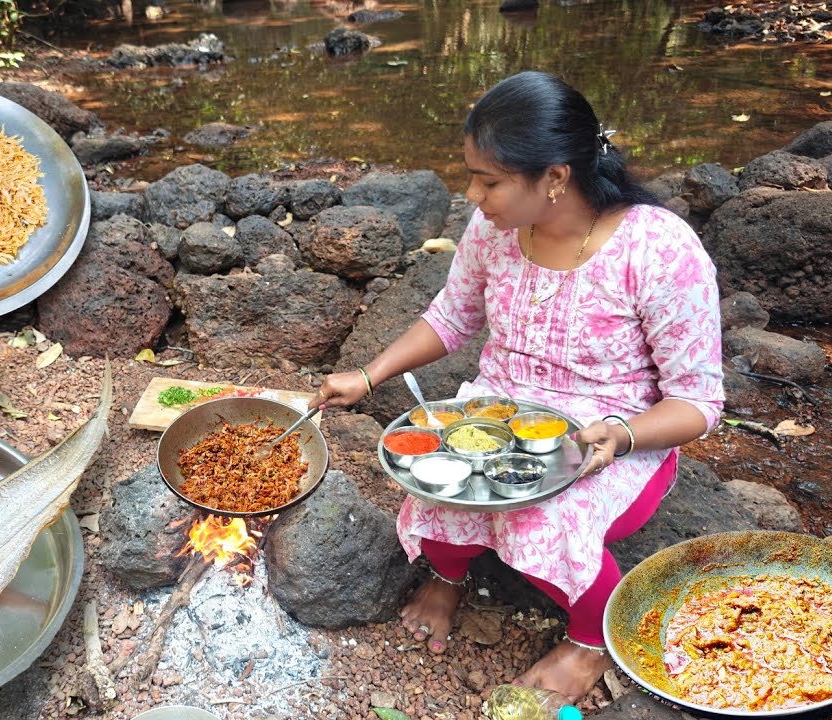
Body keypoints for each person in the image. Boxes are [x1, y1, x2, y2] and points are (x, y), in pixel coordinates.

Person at [310, 71, 724, 702]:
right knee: (433, 469)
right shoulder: (493, 230)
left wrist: (622, 434)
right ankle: (450, 576)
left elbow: (698, 402)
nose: (473, 194)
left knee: (548, 515)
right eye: (472, 174)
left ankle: (590, 639)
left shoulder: (659, 251)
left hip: (613, 437)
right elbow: (453, 317)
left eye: (490, 180)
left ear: (555, 177)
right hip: (499, 407)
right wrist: (367, 376)